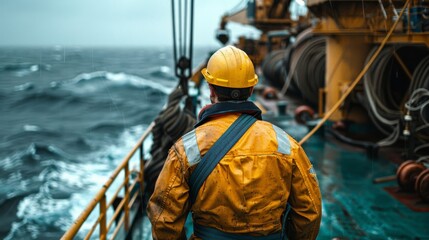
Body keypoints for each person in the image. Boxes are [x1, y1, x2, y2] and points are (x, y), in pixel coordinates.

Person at [147, 45, 322, 239]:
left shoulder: (187, 147)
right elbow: (309, 212)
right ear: (252, 88)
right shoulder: (286, 144)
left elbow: (164, 221)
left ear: (211, 89)